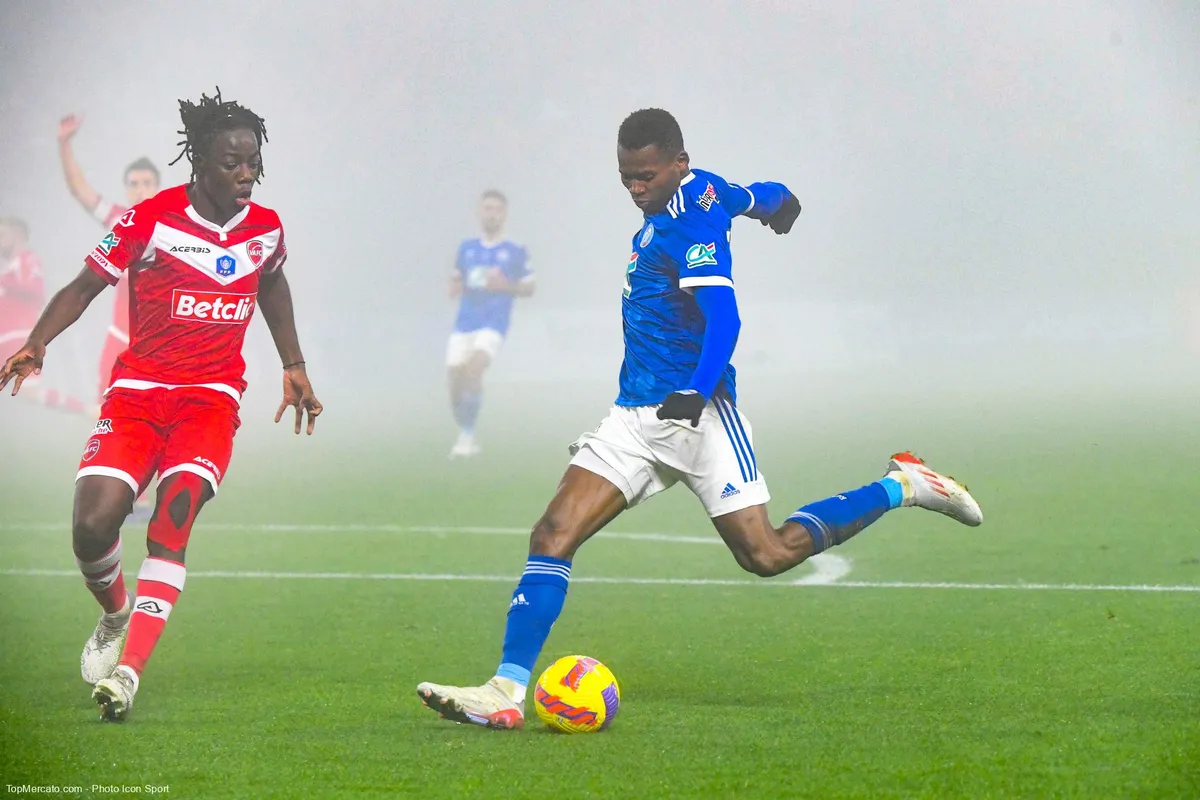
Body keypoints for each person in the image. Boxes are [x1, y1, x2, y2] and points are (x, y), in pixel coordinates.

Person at [416, 108, 983, 729]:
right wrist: (778, 201)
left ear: (678, 165)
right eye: (626, 177)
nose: (636, 189)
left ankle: (903, 485)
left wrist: (696, 389)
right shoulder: (705, 186)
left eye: (647, 176)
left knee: (766, 555)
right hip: (635, 417)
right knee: (552, 533)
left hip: (702, 416)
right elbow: (749, 195)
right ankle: (505, 690)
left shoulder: (689, 231)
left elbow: (726, 319)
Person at [0, 88, 323, 722]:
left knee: (171, 523)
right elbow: (86, 283)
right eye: (232, 162)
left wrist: (293, 364)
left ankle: (128, 674)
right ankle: (115, 613)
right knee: (92, 526)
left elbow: (272, 279)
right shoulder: (149, 219)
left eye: (253, 161)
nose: (247, 173)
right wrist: (37, 342)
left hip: (210, 401)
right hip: (138, 395)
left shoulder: (266, 228)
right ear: (199, 161)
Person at [57, 114, 161, 407]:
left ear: (157, 187)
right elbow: (81, 191)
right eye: (133, 184)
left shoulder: (172, 226)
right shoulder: (120, 219)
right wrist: (64, 143)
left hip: (159, 343)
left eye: (146, 183)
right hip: (119, 339)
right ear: (126, 189)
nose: (140, 189)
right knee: (107, 411)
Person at [446, 189, 534, 458]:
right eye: (487, 208)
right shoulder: (467, 248)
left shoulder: (515, 251)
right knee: (454, 382)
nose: (492, 213)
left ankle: (467, 437)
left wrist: (505, 285)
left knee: (474, 368)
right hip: (464, 323)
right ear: (479, 212)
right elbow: (456, 279)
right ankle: (465, 429)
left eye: (497, 209)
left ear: (504, 214)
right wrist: (455, 286)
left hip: (493, 323)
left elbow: (529, 288)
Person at [0, 217, 89, 415]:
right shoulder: (9, 265)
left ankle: (84, 410)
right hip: (6, 333)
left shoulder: (26, 259)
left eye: (3, 235)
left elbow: (35, 290)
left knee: (29, 392)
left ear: (18, 235)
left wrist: (6, 282)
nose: (0, 240)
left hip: (18, 332)